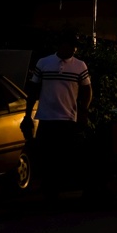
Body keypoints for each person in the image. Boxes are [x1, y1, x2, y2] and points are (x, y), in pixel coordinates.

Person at [21, 31, 92, 197]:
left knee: (64, 156)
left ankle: (58, 188)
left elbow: (87, 90)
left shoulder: (80, 66)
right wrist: (28, 115)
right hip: (46, 117)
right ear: (61, 45)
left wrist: (83, 111)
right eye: (71, 46)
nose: (73, 50)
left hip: (68, 118)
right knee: (46, 156)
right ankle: (49, 188)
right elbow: (33, 90)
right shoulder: (44, 63)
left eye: (75, 47)